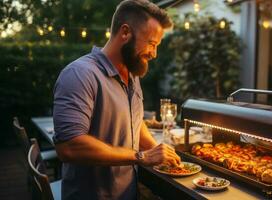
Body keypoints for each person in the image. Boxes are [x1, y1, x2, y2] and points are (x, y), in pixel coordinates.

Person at [53, 0, 181, 199]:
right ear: (125, 33)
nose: (154, 54)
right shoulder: (79, 74)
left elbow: (135, 122)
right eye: (151, 43)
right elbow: (69, 147)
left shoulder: (132, 75)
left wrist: (156, 150)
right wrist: (142, 156)